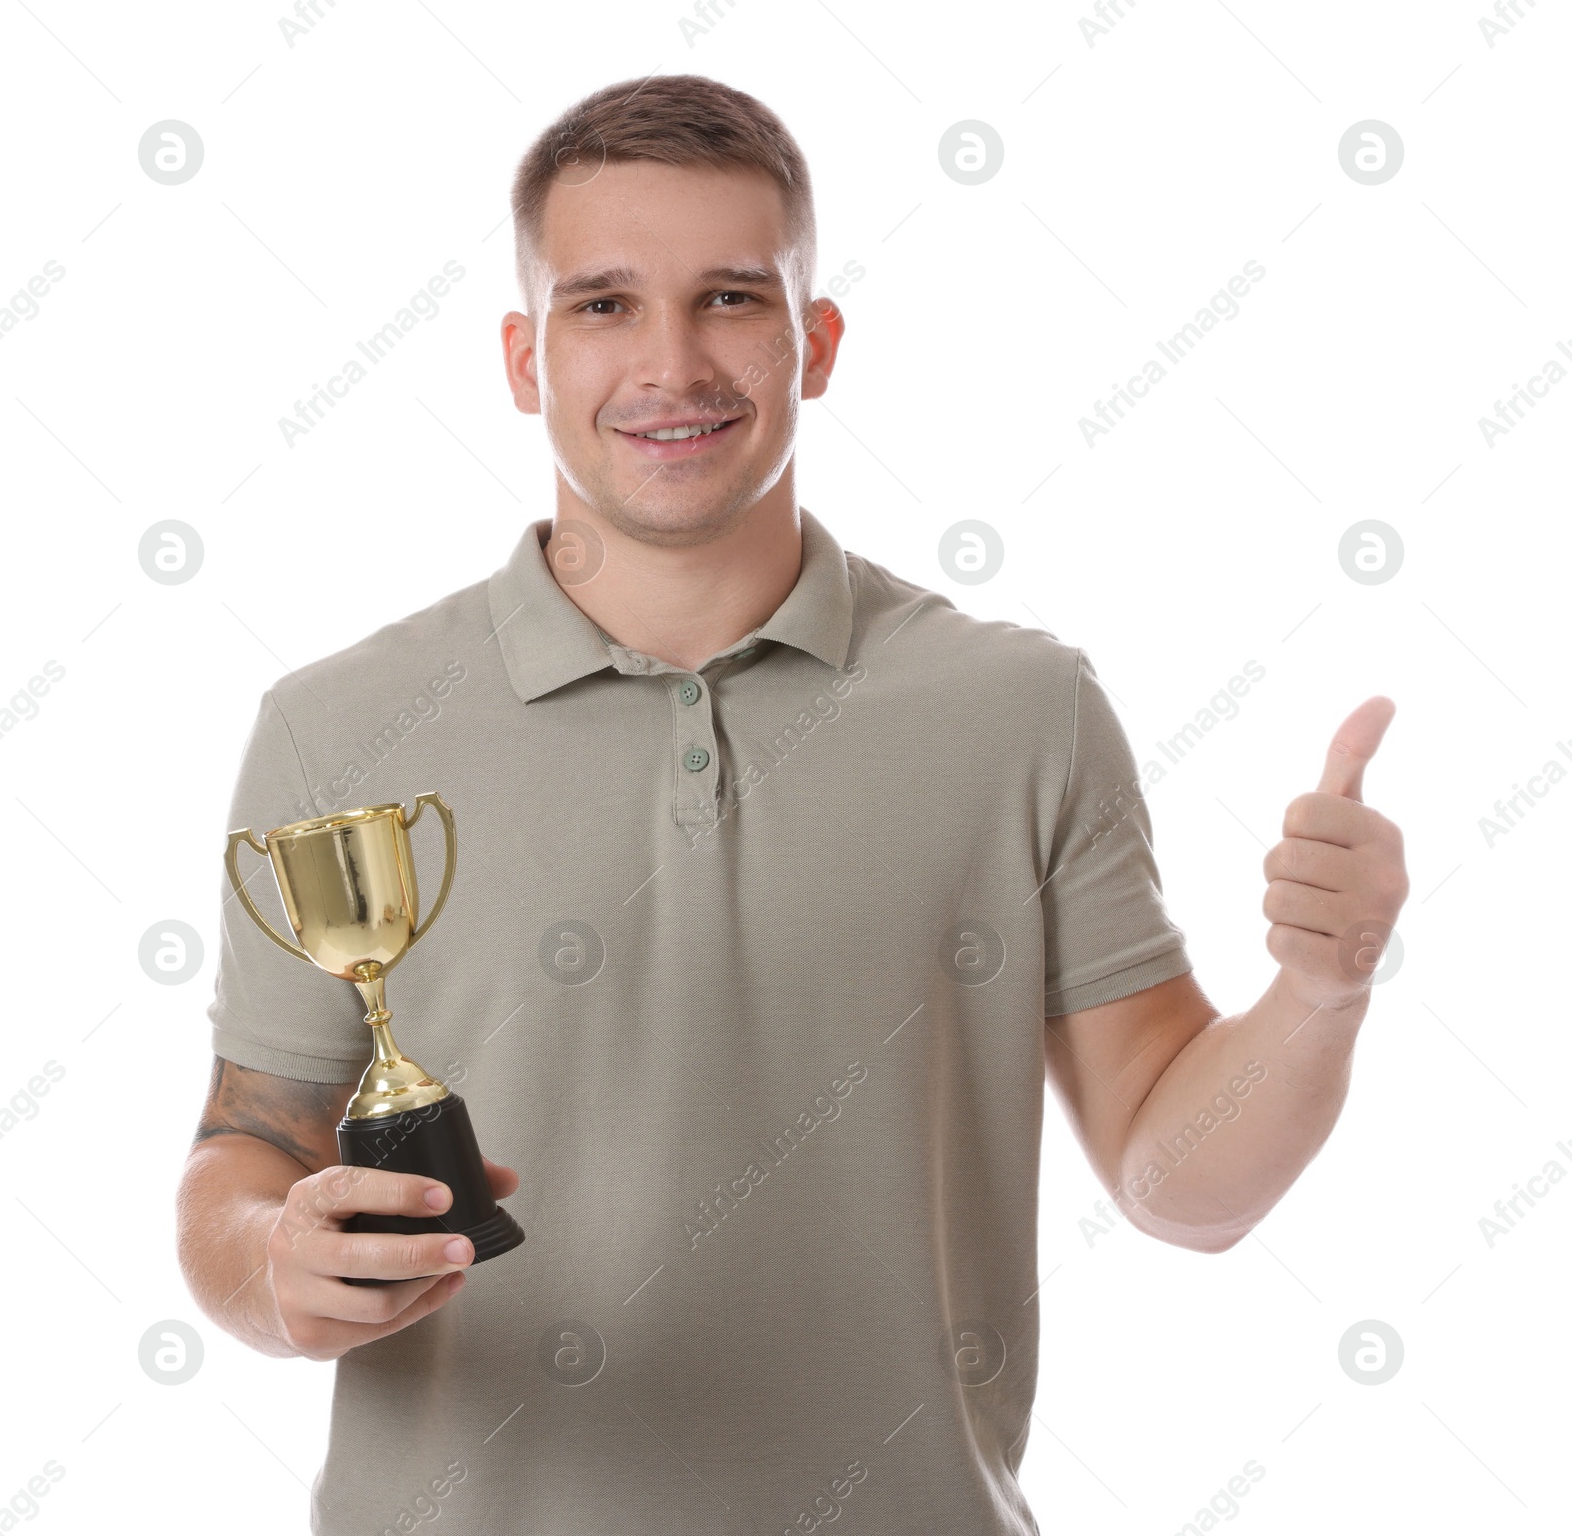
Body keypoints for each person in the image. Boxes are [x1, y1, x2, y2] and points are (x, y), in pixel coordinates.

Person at [175, 74, 1409, 1535]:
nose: (673, 362)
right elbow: (248, 1145)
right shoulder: (338, 727)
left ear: (815, 341)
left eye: (732, 299)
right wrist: (275, 1265)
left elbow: (1178, 1184)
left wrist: (1319, 993)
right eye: (604, 304)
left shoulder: (1020, 709)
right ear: (523, 357)